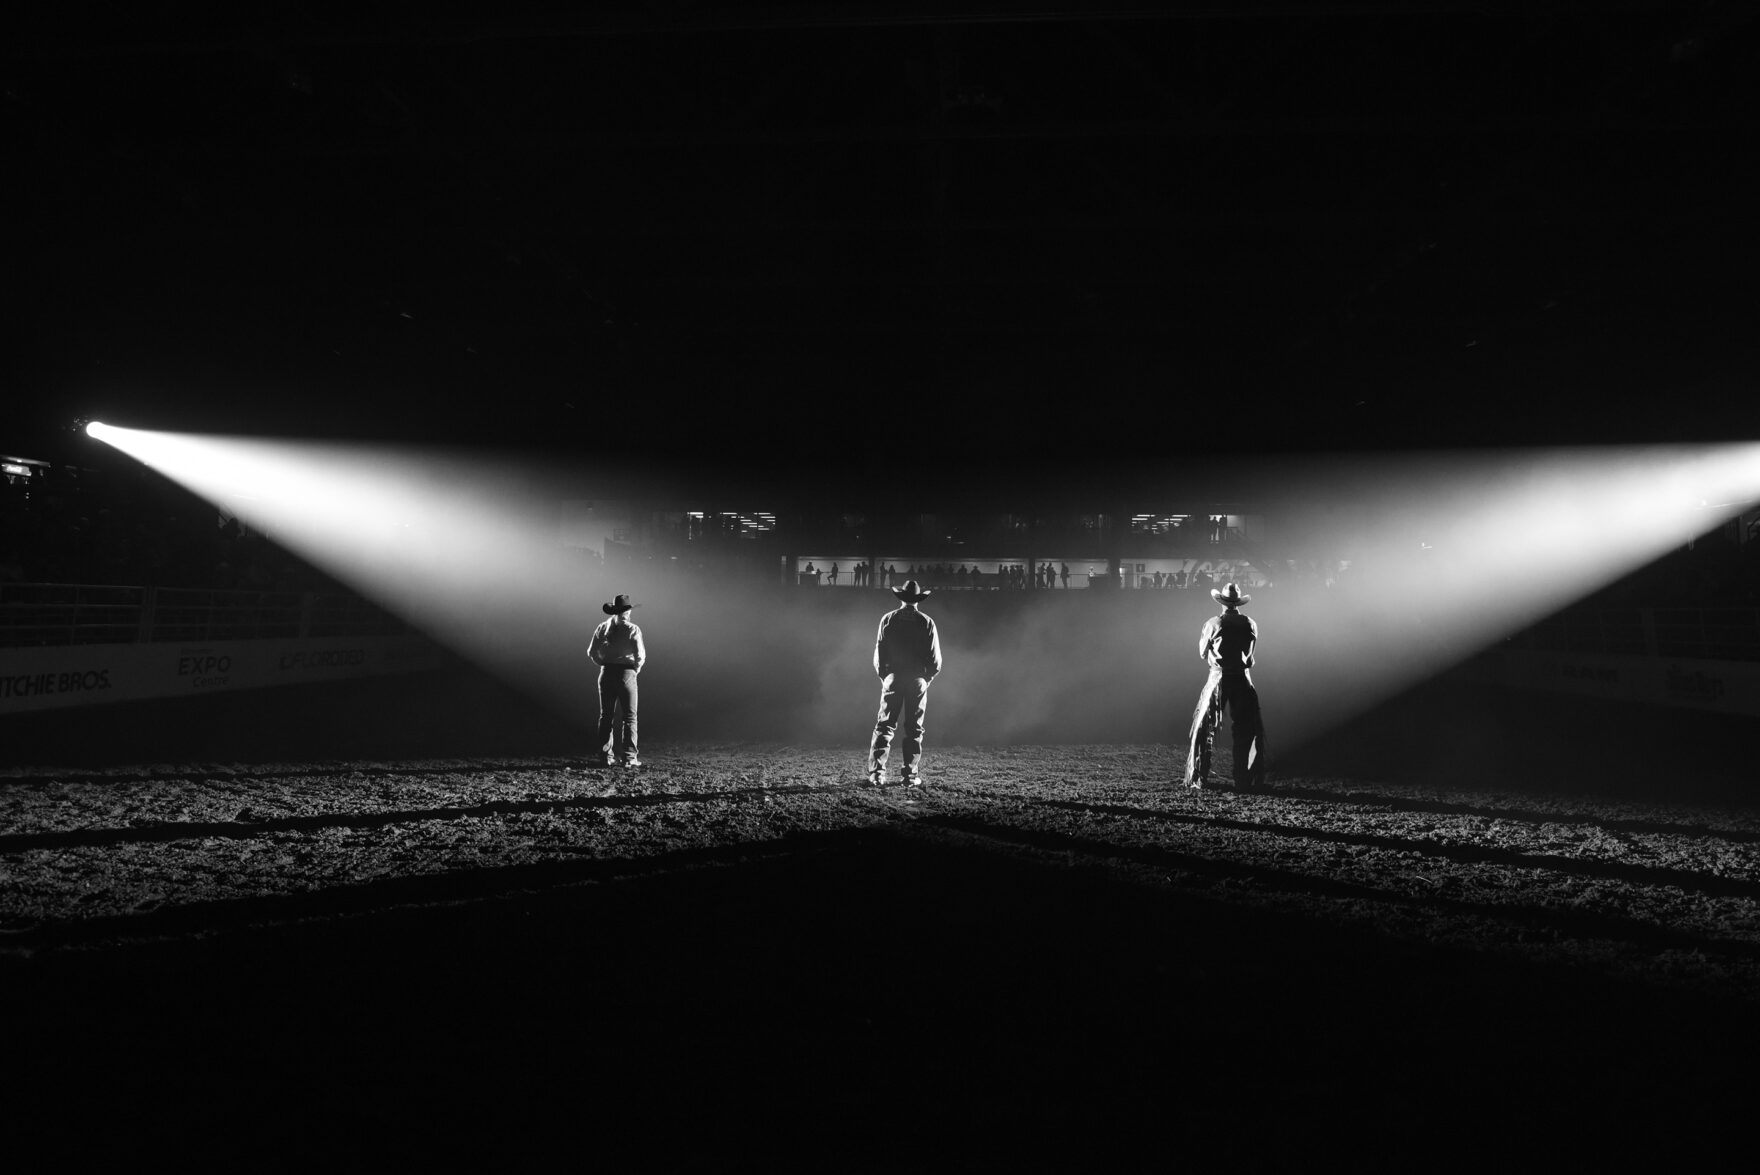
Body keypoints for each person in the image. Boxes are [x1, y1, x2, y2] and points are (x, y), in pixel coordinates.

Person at [1184, 582, 1266, 792]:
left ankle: (1199, 777)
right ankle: (1245, 779)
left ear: (1221, 602)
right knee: (1247, 730)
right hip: (1242, 678)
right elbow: (1251, 655)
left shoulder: (1214, 623)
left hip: (1219, 678)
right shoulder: (1250, 624)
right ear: (1238, 602)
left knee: (1204, 729)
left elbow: (1203, 652)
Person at [867, 579, 943, 789]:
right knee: (914, 728)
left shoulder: (889, 619)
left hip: (893, 676)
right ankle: (909, 775)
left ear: (901, 598)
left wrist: (885, 676)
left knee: (884, 725)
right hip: (917, 679)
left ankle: (877, 774)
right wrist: (926, 679)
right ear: (918, 599)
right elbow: (935, 660)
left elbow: (879, 653)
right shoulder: (926, 622)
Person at [589, 593, 647, 768]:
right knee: (629, 717)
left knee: (606, 716)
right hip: (626, 673)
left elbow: (591, 652)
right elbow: (640, 656)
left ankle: (605, 756)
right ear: (627, 611)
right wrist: (635, 669)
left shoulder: (602, 628)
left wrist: (604, 664)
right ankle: (629, 758)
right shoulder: (632, 629)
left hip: (606, 672)